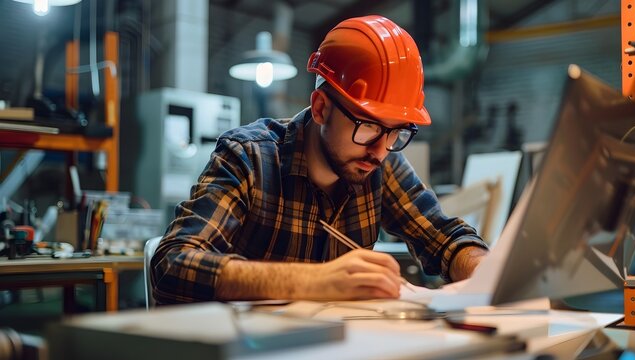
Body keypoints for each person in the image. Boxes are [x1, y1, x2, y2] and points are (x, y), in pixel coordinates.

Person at [151, 15, 488, 305]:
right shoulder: (248, 158)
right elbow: (173, 265)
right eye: (368, 126)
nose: (381, 149)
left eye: (397, 131)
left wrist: (487, 273)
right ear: (321, 108)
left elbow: (445, 238)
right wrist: (314, 281)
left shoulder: (380, 164)